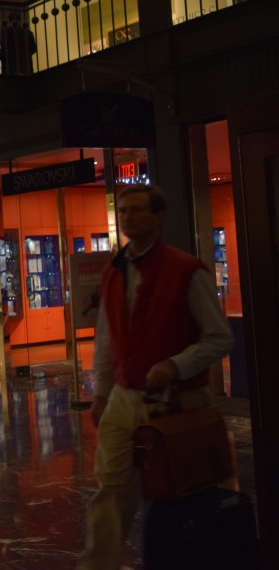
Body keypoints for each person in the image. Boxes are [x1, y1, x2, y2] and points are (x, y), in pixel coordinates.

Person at [78, 185, 232, 569]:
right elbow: (106, 338)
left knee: (176, 492)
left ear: (158, 217)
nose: (128, 217)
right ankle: (100, 564)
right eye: (124, 211)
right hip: (124, 399)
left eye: (137, 211)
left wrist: (176, 365)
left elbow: (219, 338)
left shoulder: (185, 270)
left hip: (176, 404)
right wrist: (101, 394)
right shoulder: (115, 272)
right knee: (111, 489)